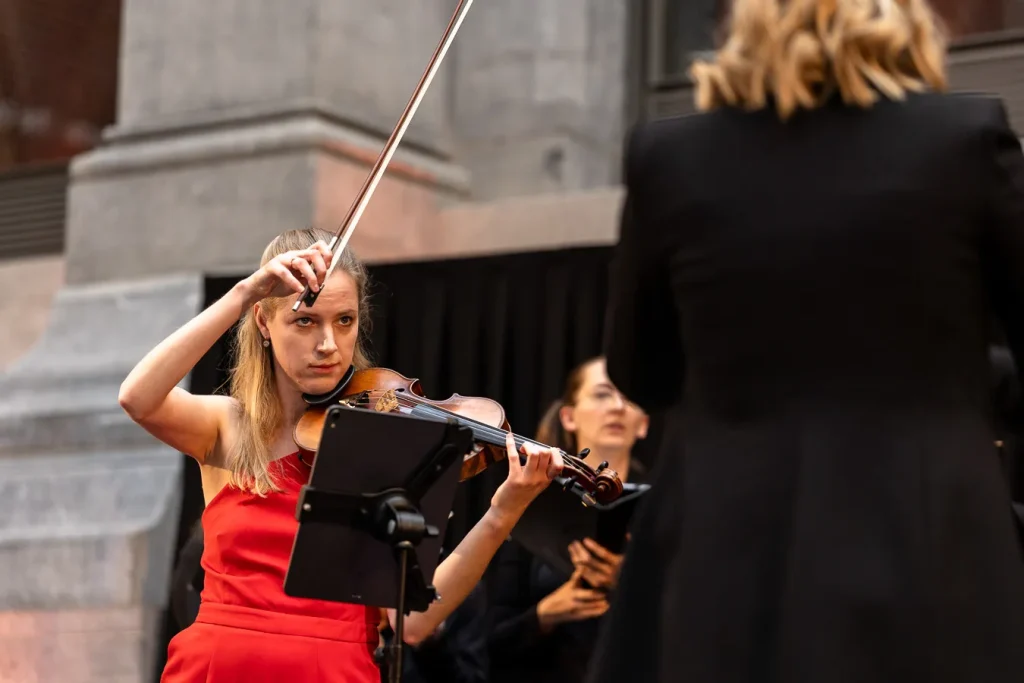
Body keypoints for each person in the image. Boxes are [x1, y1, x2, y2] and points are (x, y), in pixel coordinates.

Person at [593, 1, 1024, 681]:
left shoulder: (670, 156)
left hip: (724, 541)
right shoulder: (964, 139)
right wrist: (960, 384)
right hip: (924, 539)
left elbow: (640, 365)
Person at [118, 227, 564, 683]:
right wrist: (245, 290)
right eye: (306, 321)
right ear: (263, 323)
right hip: (218, 666)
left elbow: (414, 623)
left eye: (345, 321)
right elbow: (138, 397)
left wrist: (500, 515)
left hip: (332, 670)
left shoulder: (383, 444)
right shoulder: (228, 426)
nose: (328, 344)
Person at [486, 357, 648, 683]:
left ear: (643, 423)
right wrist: (546, 614)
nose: (617, 406)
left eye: (628, 397)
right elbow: (489, 645)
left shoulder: (663, 508)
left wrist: (629, 585)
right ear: (569, 417)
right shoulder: (534, 504)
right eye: (602, 394)